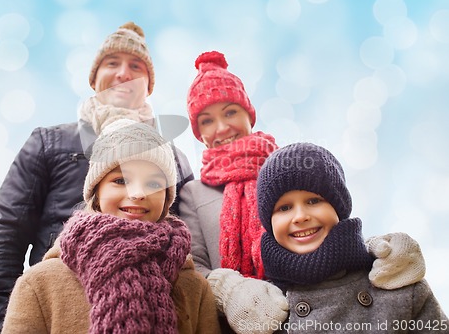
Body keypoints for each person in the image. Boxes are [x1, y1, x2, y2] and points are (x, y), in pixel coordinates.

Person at [178, 51, 427, 334]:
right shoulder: (193, 193)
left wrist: (380, 253)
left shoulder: (287, 168)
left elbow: (331, 227)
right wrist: (231, 291)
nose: (221, 127)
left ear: (248, 113)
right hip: (236, 323)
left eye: (230, 112)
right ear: (198, 131)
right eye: (207, 120)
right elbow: (194, 267)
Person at [0, 22, 194, 334]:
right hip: (60, 311)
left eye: (136, 66)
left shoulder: (174, 159)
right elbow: (5, 233)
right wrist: (3, 325)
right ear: (94, 79)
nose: (123, 73)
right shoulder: (50, 142)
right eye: (112, 63)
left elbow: (189, 246)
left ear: (148, 85)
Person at [1, 119, 220, 334]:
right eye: (121, 181)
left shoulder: (194, 287)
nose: (138, 194)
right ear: (97, 193)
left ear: (166, 199)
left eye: (154, 183)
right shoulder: (40, 284)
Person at [257, 142, 447, 334]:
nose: (300, 216)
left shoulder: (396, 282)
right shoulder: (262, 306)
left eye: (313, 201)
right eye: (284, 208)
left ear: (339, 208)